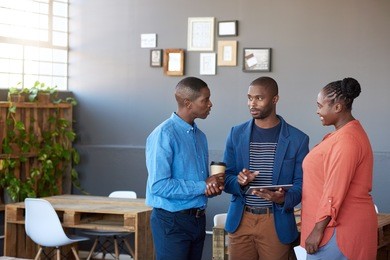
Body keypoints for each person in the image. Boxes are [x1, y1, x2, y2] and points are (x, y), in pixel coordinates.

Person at [223, 76, 309, 260]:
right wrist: (240, 181)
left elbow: (301, 184)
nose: (252, 103)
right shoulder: (235, 134)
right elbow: (226, 178)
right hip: (241, 220)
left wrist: (283, 198)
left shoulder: (298, 139)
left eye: (259, 98)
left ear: (275, 99)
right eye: (249, 97)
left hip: (276, 222)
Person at [145, 76, 224, 260]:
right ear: (188, 103)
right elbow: (158, 185)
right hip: (171, 222)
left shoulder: (200, 137)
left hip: (197, 219)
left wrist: (210, 189)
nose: (210, 104)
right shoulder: (164, 134)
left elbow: (198, 182)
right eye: (205, 100)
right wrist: (202, 186)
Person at [300, 77, 377, 259]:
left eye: (320, 106)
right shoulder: (342, 135)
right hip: (333, 227)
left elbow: (334, 189)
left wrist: (318, 230)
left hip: (338, 231)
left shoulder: (347, 140)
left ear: (337, 107)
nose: (317, 111)